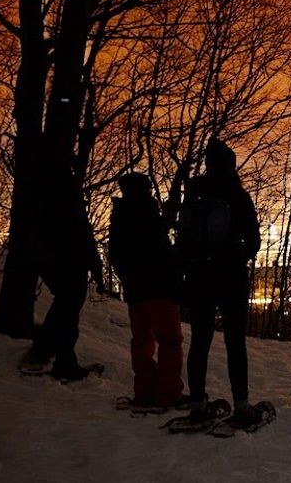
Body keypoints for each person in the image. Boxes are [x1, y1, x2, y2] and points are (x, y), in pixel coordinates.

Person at [171, 138, 270, 433]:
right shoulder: (237, 195)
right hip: (230, 278)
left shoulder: (194, 194)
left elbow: (183, 238)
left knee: (200, 341)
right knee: (235, 343)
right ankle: (241, 406)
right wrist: (237, 254)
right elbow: (253, 240)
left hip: (198, 278)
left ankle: (198, 406)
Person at [17, 172, 105, 382]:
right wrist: (95, 266)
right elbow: (82, 233)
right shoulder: (67, 198)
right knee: (68, 308)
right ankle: (56, 358)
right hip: (68, 261)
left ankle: (54, 356)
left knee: (65, 307)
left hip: (50, 259)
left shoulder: (44, 195)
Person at [109, 172, 185, 412]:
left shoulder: (120, 217)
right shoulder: (149, 216)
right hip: (159, 289)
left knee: (142, 342)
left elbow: (116, 255)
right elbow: (162, 253)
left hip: (136, 292)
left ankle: (144, 393)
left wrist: (128, 279)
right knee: (170, 341)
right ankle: (168, 394)